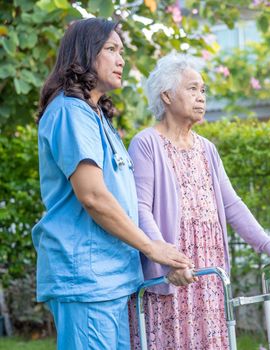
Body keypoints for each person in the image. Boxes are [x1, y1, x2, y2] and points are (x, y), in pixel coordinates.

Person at [32, 19, 193, 349]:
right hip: (87, 279)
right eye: (111, 49)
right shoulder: (69, 111)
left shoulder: (97, 116)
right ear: (85, 54)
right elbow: (93, 196)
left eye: (122, 51)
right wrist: (151, 246)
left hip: (111, 279)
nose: (121, 60)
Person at [127, 52, 270, 349]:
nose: (201, 96)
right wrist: (165, 259)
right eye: (192, 89)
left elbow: (233, 206)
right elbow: (139, 208)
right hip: (174, 271)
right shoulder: (146, 143)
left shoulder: (207, 149)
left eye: (203, 89)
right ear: (166, 96)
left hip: (209, 271)